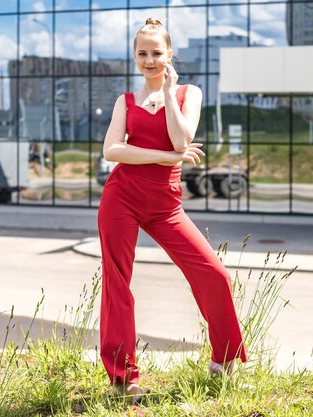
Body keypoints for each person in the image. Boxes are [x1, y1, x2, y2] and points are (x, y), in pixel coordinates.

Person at [97, 18, 247, 401]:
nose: (150, 60)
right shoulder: (124, 102)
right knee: (118, 284)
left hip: (167, 206)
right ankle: (122, 378)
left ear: (169, 55)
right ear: (134, 56)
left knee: (214, 274)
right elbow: (112, 151)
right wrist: (166, 157)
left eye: (156, 53)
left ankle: (224, 361)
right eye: (142, 54)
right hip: (122, 198)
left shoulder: (187, 94)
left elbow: (184, 138)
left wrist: (166, 92)